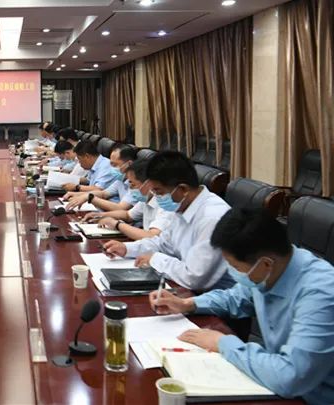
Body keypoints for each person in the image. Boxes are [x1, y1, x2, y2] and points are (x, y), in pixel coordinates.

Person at [150, 208, 334, 404]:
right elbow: (236, 298)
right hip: (273, 383)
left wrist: (223, 343)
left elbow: (291, 377)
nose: (232, 272)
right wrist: (188, 304)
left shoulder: (321, 295)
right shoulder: (272, 268)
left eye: (235, 267)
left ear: (265, 264)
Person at [104, 151, 234, 291]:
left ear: (183, 189)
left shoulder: (212, 218)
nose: (156, 197)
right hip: (185, 288)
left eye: (159, 192)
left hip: (213, 297)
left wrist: (155, 259)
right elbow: (163, 243)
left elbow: (194, 277)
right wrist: (127, 249)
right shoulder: (182, 205)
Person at [85, 159, 174, 241]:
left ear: (148, 184)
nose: (130, 188)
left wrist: (116, 224)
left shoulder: (166, 205)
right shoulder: (146, 198)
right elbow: (128, 215)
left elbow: (152, 236)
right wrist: (99, 215)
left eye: (133, 184)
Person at [64, 144, 136, 209]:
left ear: (129, 164)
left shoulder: (137, 184)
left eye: (115, 164)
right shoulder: (120, 181)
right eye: (111, 164)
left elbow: (122, 209)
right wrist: (78, 195)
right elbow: (103, 194)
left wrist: (89, 197)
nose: (111, 167)